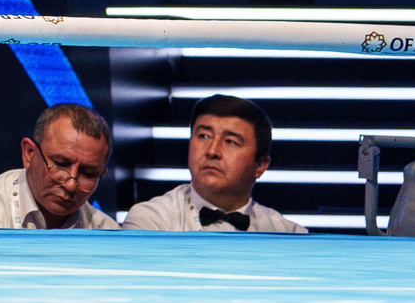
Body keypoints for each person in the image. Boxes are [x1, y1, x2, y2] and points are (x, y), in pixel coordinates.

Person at [124, 95, 307, 232]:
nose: (212, 151)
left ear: (260, 165)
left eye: (230, 142)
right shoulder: (150, 220)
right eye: (203, 136)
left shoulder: (287, 234)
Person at [0, 103, 120, 229]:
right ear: (29, 153)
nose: (70, 185)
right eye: (60, 164)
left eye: (88, 173)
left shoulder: (107, 231)